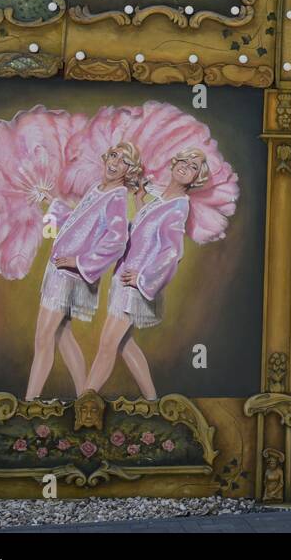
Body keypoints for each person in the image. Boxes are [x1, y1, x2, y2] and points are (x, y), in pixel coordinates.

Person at [85, 147, 209, 399]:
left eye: (194, 166)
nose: (186, 166)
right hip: (124, 280)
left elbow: (172, 252)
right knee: (123, 343)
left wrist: (142, 277)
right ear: (174, 164)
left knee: (107, 344)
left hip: (135, 285)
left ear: (197, 179)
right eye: (183, 160)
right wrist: (140, 200)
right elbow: (145, 232)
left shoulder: (178, 206)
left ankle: (83, 402)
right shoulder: (162, 199)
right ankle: (153, 401)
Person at [26, 143, 140, 400]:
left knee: (43, 336)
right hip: (63, 271)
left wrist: (78, 262)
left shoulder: (117, 197)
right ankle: (83, 400)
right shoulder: (99, 189)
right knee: (60, 334)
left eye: (123, 161)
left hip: (70, 274)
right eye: (113, 155)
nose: (115, 162)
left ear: (129, 170)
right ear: (105, 157)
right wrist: (51, 202)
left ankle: (29, 402)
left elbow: (117, 241)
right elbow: (77, 221)